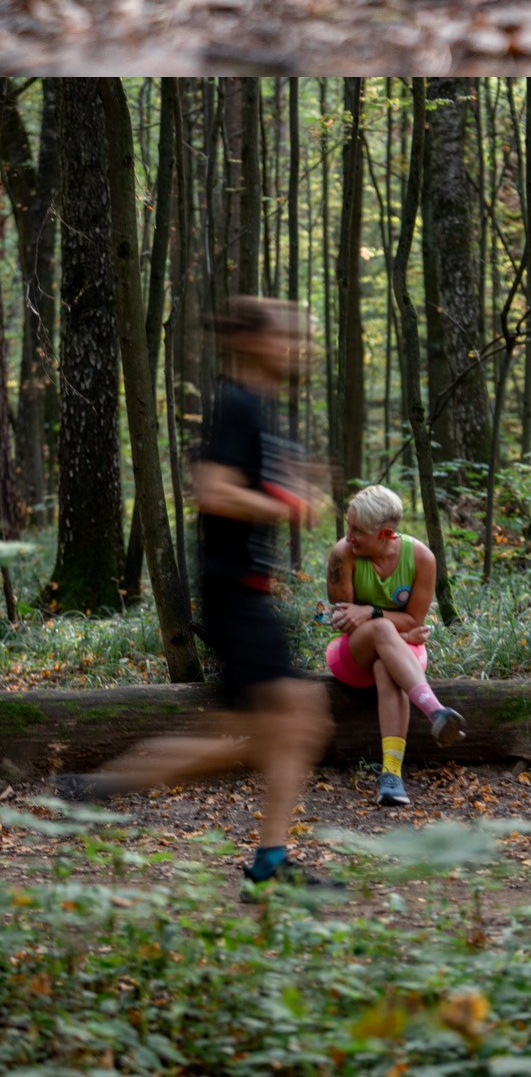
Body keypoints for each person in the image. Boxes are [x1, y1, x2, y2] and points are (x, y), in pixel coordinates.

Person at [58, 299, 339, 899]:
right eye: (290, 336)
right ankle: (259, 861)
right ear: (256, 341)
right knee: (297, 721)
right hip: (235, 594)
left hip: (243, 593)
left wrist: (288, 484)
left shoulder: (255, 407)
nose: (299, 347)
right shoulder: (236, 404)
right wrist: (286, 502)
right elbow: (212, 491)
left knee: (268, 730)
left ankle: (104, 790)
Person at [325, 483, 465, 807]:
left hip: (402, 655)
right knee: (382, 632)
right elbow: (343, 620)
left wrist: (373, 614)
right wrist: (390, 627)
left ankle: (391, 776)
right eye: (349, 525)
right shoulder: (342, 555)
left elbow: (415, 620)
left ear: (386, 534)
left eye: (357, 530)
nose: (349, 536)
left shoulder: (421, 558)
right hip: (350, 654)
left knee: (385, 666)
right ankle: (435, 711)